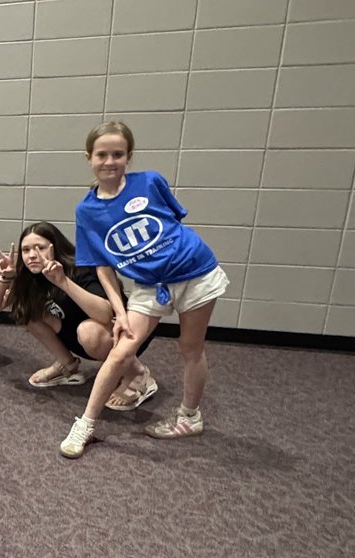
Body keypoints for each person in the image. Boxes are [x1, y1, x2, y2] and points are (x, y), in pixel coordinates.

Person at [60, 121, 229, 459]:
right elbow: (102, 265)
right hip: (148, 286)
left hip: (196, 271)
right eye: (102, 154)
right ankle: (86, 424)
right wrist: (120, 312)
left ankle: (189, 417)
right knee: (121, 350)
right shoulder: (87, 211)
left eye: (118, 154)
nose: (110, 161)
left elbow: (174, 224)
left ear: (129, 156)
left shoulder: (150, 182)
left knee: (190, 348)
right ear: (88, 157)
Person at [0, 221, 155, 408]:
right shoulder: (30, 276)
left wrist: (63, 282)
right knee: (28, 312)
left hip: (123, 335)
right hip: (77, 332)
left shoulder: (79, 268)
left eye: (39, 248)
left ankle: (136, 373)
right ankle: (68, 365)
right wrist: (5, 278)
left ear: (53, 248)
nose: (32, 255)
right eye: (26, 250)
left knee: (88, 331)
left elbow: (105, 314)